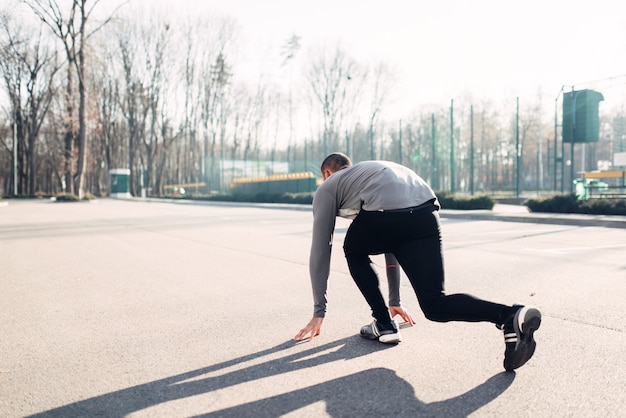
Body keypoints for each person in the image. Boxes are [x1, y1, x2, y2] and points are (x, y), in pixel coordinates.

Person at [294, 152, 542, 372]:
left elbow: (320, 249)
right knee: (435, 305)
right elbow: (390, 238)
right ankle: (509, 316)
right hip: (426, 214)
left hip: (388, 218)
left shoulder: (328, 187)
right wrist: (395, 300)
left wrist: (319, 311)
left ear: (327, 173)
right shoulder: (368, 174)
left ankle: (383, 324)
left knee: (352, 249)